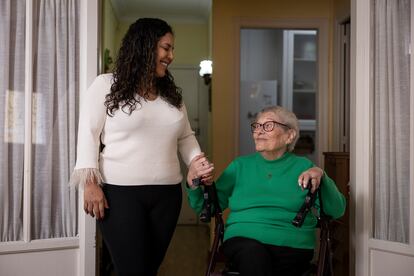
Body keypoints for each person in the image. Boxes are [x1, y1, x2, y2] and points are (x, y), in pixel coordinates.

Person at [70, 18, 214, 276]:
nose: (171, 55)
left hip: (167, 196)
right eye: (166, 48)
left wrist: (195, 162)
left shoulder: (171, 94)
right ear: (145, 46)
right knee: (133, 270)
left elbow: (185, 136)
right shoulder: (105, 85)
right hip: (120, 195)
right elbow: (88, 135)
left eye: (171, 49)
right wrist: (90, 184)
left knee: (148, 269)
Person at [187, 105, 346, 276]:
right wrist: (193, 184)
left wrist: (322, 176)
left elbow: (336, 210)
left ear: (289, 135)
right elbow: (208, 208)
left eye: (268, 125)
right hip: (243, 241)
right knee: (253, 254)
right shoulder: (239, 166)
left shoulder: (305, 168)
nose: (258, 132)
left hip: (292, 246)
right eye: (256, 126)